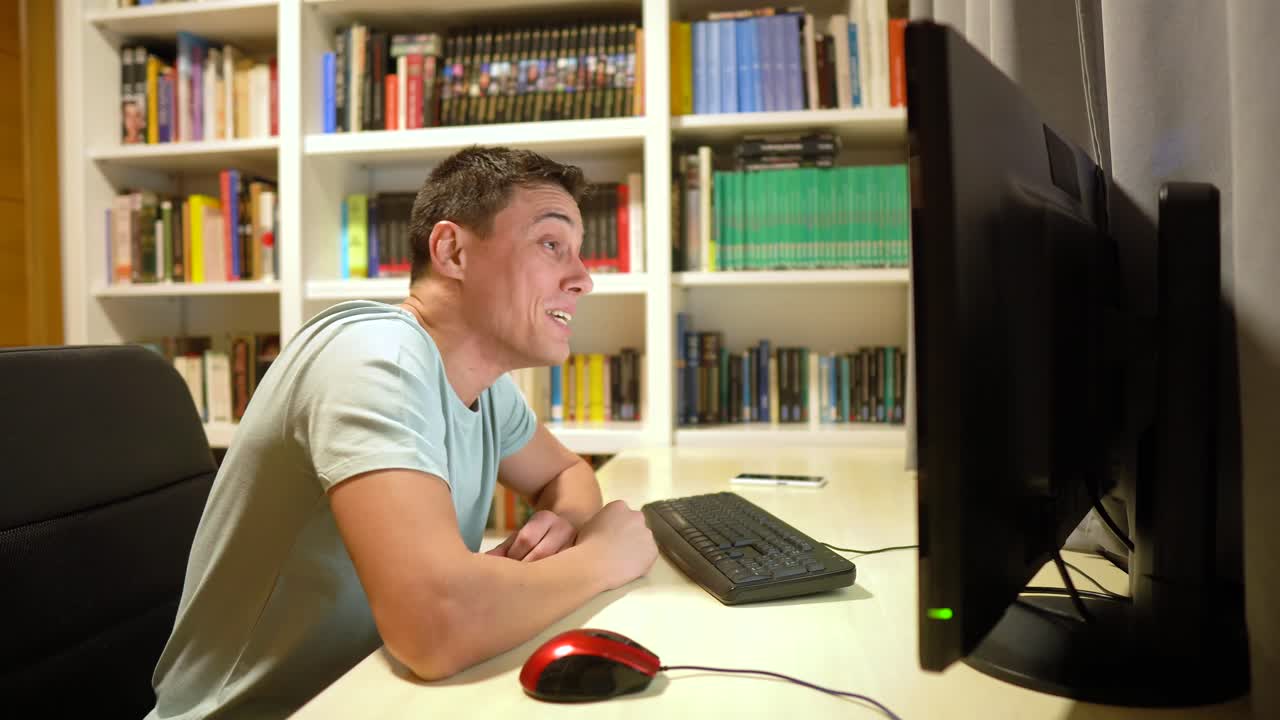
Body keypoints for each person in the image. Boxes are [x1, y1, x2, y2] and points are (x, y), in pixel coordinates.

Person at [146, 146, 659, 720]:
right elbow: (434, 629)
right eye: (551, 244)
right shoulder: (373, 357)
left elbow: (566, 474)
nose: (583, 278)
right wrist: (604, 557)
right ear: (452, 251)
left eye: (579, 252)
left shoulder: (483, 386)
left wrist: (561, 524)